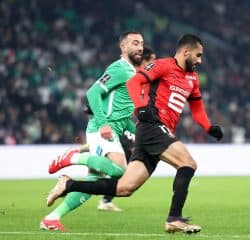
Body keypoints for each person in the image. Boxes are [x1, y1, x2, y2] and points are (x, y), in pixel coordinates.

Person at [45, 34, 223, 234]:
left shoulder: (192, 78)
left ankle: (69, 184)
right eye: (198, 55)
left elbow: (197, 106)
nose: (200, 60)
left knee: (124, 188)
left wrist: (208, 127)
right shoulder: (162, 66)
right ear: (186, 51)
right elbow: (133, 83)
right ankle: (174, 218)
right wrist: (141, 108)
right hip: (153, 126)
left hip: (155, 132)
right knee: (188, 163)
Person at [40, 31, 144, 230]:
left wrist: (139, 131)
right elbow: (93, 92)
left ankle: (52, 218)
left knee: (92, 184)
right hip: (102, 129)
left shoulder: (132, 73)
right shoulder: (119, 68)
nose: (139, 47)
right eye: (134, 43)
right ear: (123, 47)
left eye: (141, 43)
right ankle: (72, 157)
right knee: (121, 170)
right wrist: (104, 123)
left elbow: (123, 112)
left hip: (112, 128)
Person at [81, 46, 157, 212]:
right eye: (151, 61)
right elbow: (98, 93)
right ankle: (78, 158)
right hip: (111, 127)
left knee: (98, 176)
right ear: (141, 61)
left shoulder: (140, 81)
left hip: (122, 125)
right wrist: (96, 113)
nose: (154, 65)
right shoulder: (125, 73)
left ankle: (102, 197)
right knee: (123, 166)